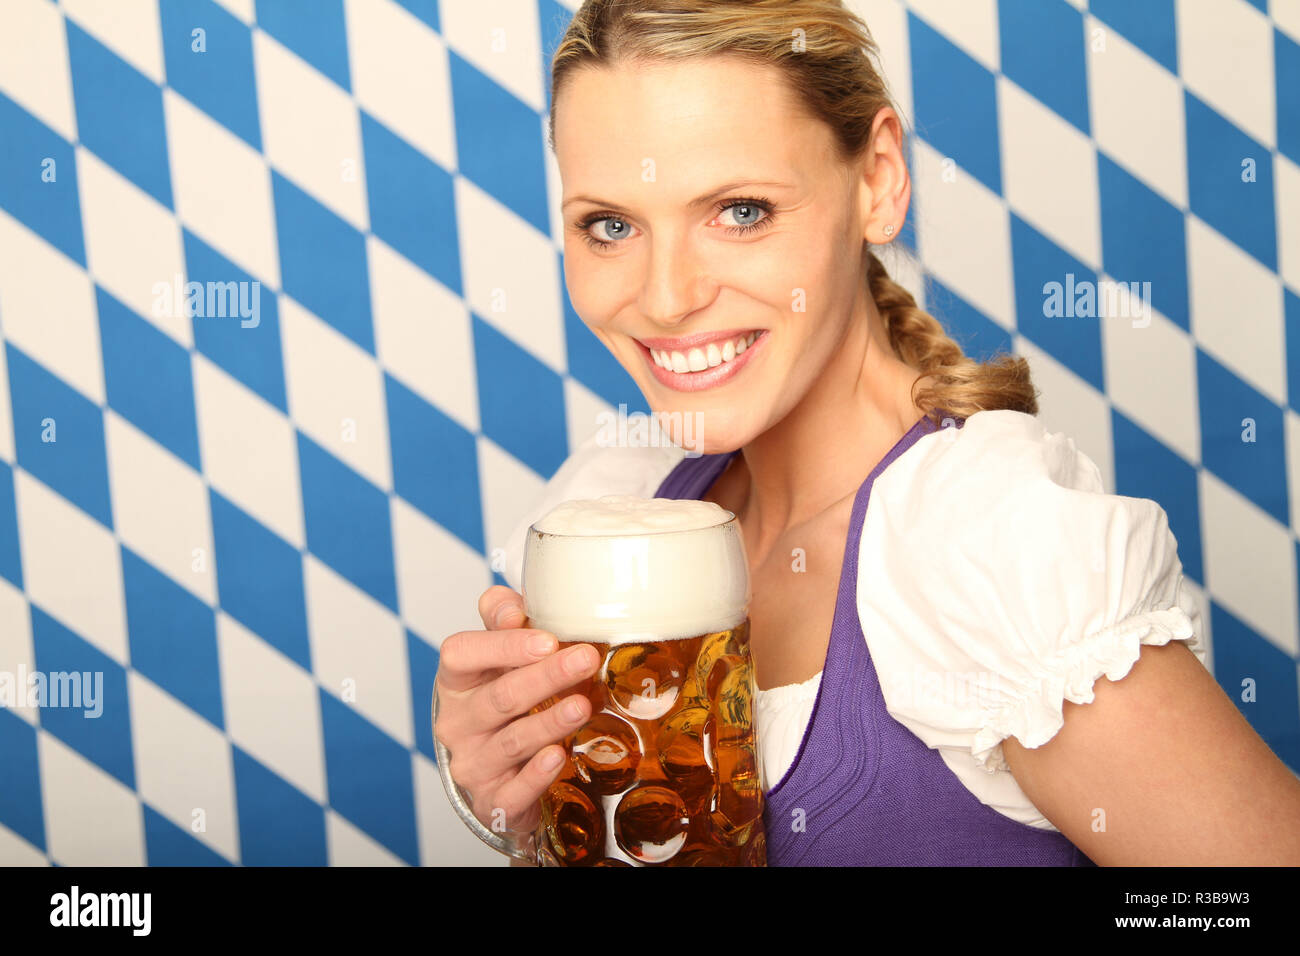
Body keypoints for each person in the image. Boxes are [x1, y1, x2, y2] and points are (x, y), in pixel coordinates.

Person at [432, 0, 1300, 865]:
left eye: (739, 211)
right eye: (610, 225)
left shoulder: (992, 546)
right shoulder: (616, 502)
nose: (665, 297)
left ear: (877, 179)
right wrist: (507, 800)